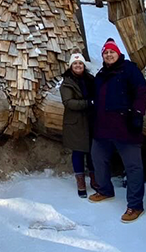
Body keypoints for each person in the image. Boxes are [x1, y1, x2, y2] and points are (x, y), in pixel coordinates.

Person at [89, 38, 146, 223]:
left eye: (111, 52)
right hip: (103, 128)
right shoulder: (100, 74)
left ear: (118, 53)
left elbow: (141, 91)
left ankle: (135, 205)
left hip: (126, 127)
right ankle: (105, 190)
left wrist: (138, 114)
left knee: (133, 167)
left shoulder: (129, 69)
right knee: (98, 158)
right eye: (105, 52)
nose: (108, 54)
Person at [60, 53, 100, 198]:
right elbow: (69, 103)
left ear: (84, 66)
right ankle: (80, 182)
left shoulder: (90, 80)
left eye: (80, 64)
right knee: (78, 152)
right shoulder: (67, 83)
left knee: (92, 151)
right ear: (71, 66)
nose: (78, 66)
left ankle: (94, 179)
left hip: (91, 121)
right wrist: (89, 103)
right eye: (75, 64)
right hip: (76, 123)